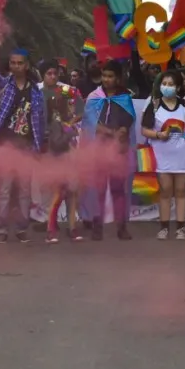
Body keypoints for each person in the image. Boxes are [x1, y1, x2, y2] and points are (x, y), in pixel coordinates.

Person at [0, 49, 45, 243]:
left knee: (25, 191)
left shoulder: (35, 92)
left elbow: (40, 121)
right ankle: (1, 230)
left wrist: (38, 146)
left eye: (20, 63)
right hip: (6, 146)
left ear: (26, 65)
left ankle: (21, 228)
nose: (16, 66)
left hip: (26, 148)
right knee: (4, 188)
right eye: (13, 63)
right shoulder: (5, 85)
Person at [82, 59, 135, 241]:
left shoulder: (125, 97)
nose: (106, 79)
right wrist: (110, 131)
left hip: (118, 150)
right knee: (99, 188)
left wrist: (123, 130)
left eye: (110, 76)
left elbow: (128, 120)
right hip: (99, 149)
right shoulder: (94, 97)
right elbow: (90, 122)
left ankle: (121, 227)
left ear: (118, 78)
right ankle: (97, 227)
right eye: (104, 75)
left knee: (118, 189)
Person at [142, 70, 185, 240]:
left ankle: (181, 228)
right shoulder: (154, 105)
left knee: (180, 191)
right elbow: (144, 130)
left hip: (183, 154)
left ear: (178, 87)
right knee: (165, 191)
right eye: (164, 84)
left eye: (171, 84)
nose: (167, 87)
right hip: (161, 155)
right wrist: (159, 135)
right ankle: (164, 227)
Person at [45, 84, 83, 243]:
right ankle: (51, 230)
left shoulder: (72, 123)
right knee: (58, 195)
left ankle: (72, 228)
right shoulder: (56, 123)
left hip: (72, 164)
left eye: (73, 103)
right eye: (69, 103)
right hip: (59, 164)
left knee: (73, 195)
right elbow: (56, 143)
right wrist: (69, 133)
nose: (72, 106)